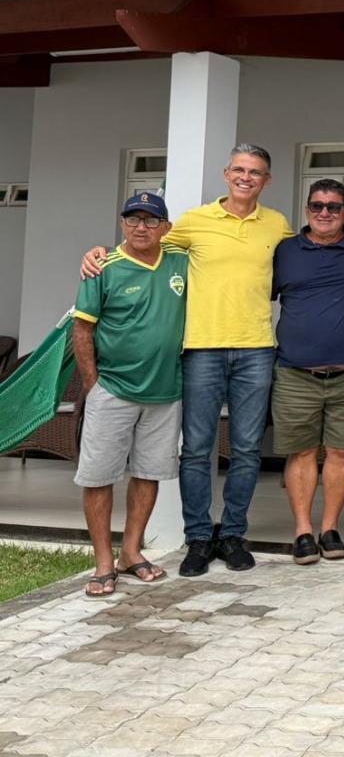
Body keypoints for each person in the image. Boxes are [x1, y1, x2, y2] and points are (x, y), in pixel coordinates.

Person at [82, 143, 292, 578]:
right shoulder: (194, 222)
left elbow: (310, 248)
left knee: (247, 449)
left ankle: (232, 535)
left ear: (266, 180)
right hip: (200, 350)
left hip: (256, 349)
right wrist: (98, 251)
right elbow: (141, 242)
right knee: (196, 450)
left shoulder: (276, 224)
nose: (246, 177)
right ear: (226, 173)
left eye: (255, 172)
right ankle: (198, 537)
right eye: (239, 169)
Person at [71, 192, 187, 597]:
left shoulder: (180, 263)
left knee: (148, 473)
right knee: (99, 476)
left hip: (165, 392)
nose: (141, 227)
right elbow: (82, 329)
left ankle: (131, 552)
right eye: (133, 219)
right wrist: (93, 385)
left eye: (151, 220)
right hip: (113, 390)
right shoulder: (103, 267)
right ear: (122, 223)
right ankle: (104, 562)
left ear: (165, 228)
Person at [271, 180, 344, 564]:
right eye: (317, 205)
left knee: (341, 451)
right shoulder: (285, 251)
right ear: (307, 209)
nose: (324, 213)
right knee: (301, 451)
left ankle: (329, 528)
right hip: (296, 372)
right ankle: (303, 531)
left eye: (334, 207)